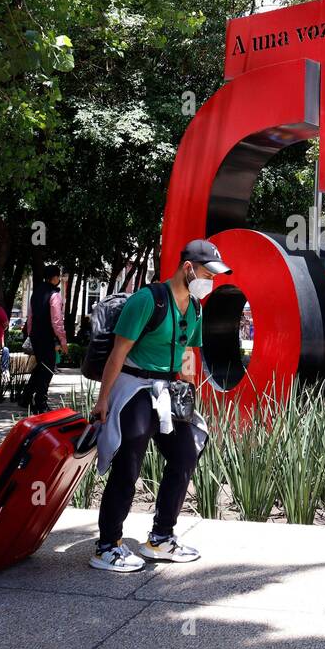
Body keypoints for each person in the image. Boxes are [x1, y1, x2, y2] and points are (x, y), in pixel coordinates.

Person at [87, 239, 228, 572]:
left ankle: (161, 538)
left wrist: (189, 393)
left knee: (185, 454)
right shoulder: (147, 301)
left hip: (169, 391)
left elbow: (190, 353)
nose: (210, 281)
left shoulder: (194, 308)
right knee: (128, 465)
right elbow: (118, 354)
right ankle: (107, 546)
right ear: (188, 268)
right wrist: (102, 400)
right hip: (134, 388)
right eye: (207, 273)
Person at [20, 265, 69, 413]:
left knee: (41, 366)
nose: (59, 279)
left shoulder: (36, 293)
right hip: (47, 336)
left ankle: (26, 398)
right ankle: (40, 403)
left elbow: (30, 316)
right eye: (58, 276)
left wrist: (30, 334)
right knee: (47, 369)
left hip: (36, 335)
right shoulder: (54, 294)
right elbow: (57, 321)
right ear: (55, 277)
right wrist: (63, 341)